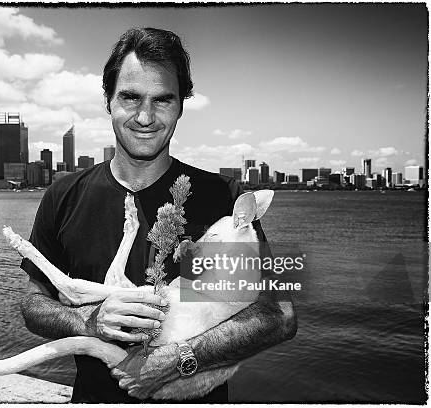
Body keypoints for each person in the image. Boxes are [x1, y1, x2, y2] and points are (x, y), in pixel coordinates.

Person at [20, 27, 297, 403]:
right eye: (131, 97)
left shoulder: (223, 202)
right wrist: (89, 322)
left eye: (163, 100)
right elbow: (34, 305)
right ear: (109, 101)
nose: (146, 116)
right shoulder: (64, 195)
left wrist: (184, 357)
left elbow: (277, 316)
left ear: (181, 105)